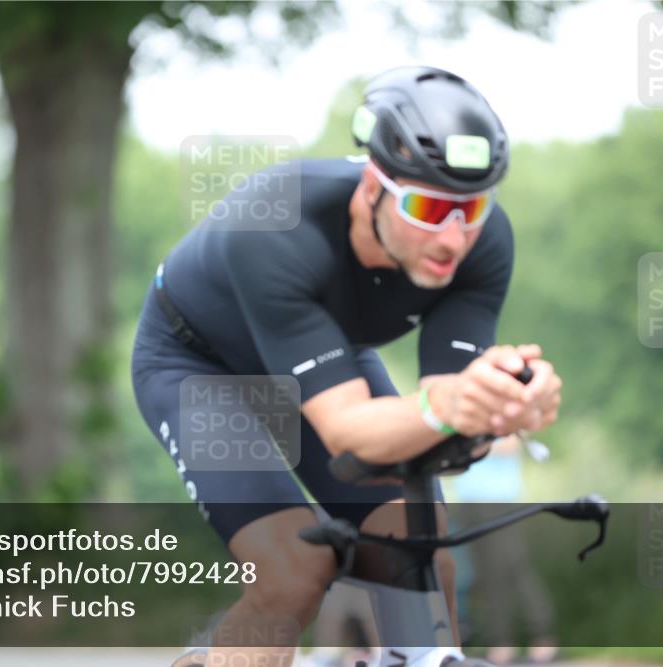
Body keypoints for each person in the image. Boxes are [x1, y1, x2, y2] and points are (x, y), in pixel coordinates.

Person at [130, 65, 563, 666]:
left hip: (322, 351)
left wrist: (503, 404)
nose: (454, 237)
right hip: (201, 364)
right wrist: (452, 405)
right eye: (429, 208)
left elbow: (442, 410)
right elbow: (348, 431)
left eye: (472, 207)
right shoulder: (276, 227)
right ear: (372, 189)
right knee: (294, 572)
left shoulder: (483, 243)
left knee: (419, 550)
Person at [453, 437, 558, 665]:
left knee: (515, 568)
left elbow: (512, 444)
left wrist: (467, 444)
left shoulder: (505, 404)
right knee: (486, 577)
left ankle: (543, 637)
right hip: (470, 500)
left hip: (498, 500)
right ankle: (500, 643)